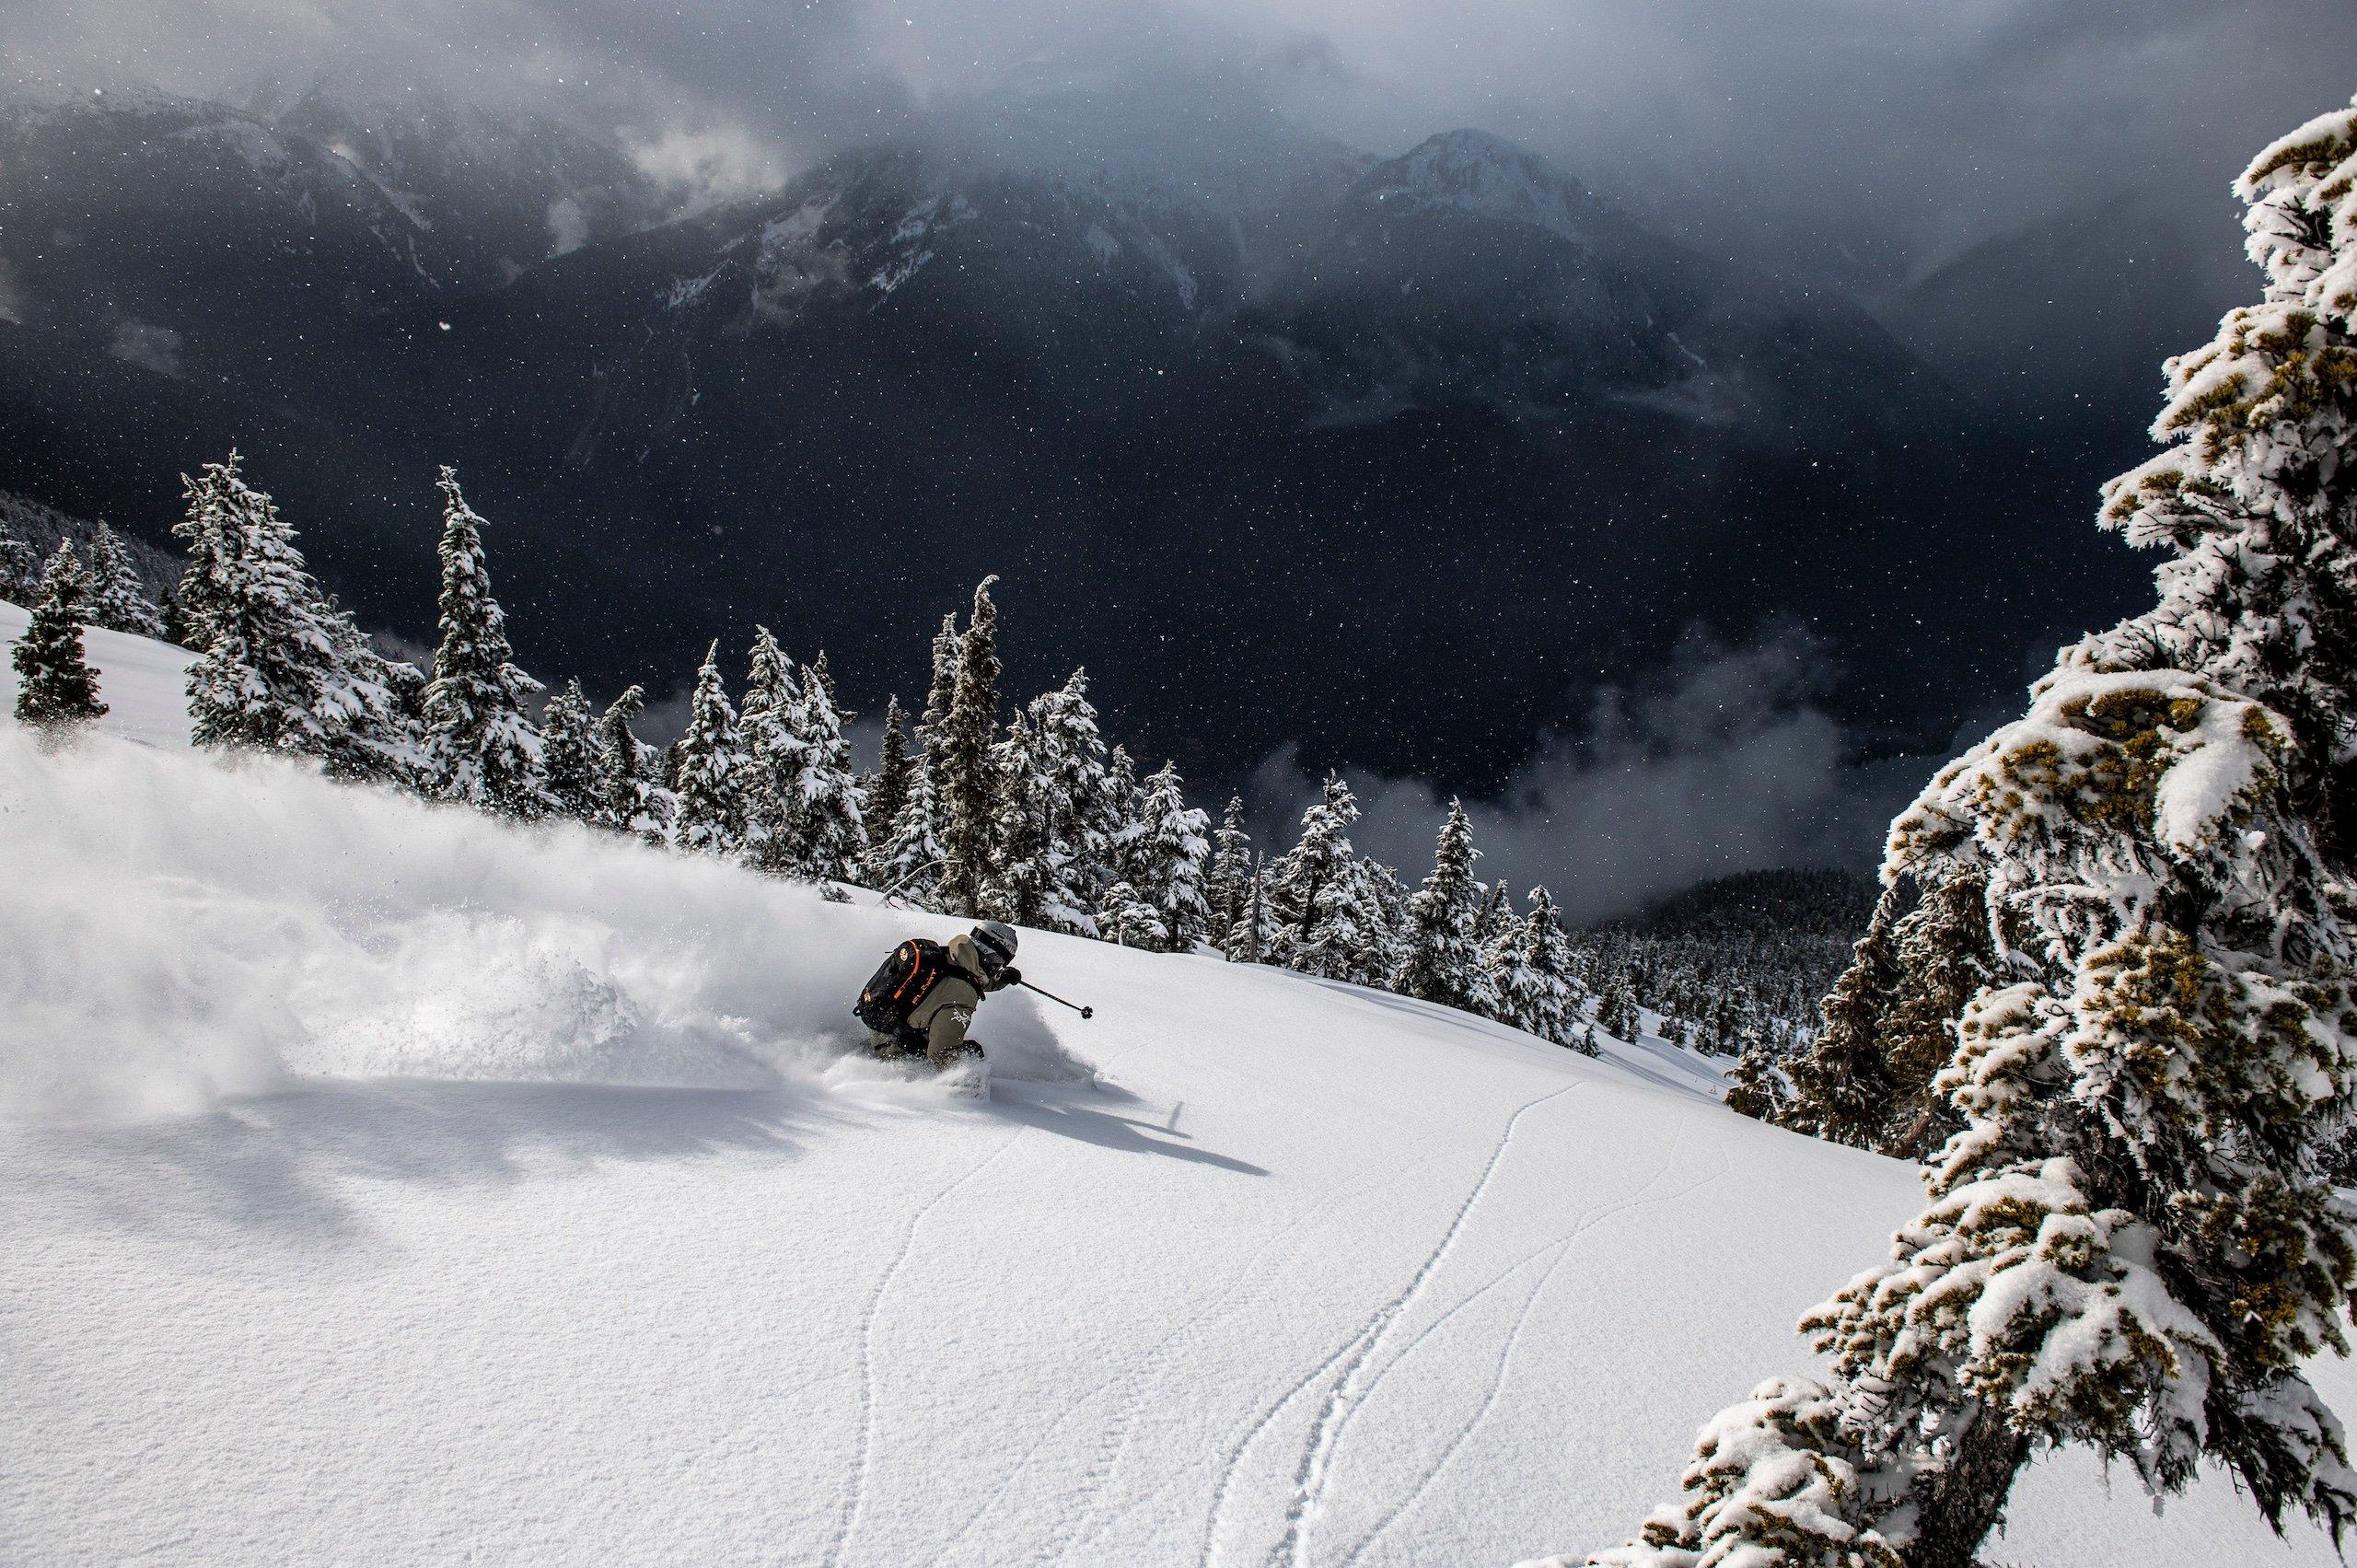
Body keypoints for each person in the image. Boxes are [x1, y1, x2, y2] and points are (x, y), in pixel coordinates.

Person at [868, 920, 1022, 1070]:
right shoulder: (963, 995)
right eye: (999, 962)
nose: (997, 967)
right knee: (973, 1051)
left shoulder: (952, 956)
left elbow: (965, 981)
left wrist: (1001, 980)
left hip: (885, 1029)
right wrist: (968, 1079)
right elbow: (942, 1055)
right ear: (990, 953)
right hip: (895, 1052)